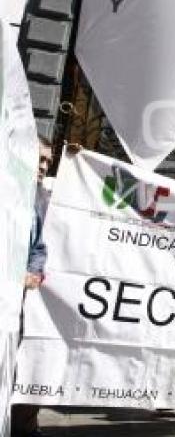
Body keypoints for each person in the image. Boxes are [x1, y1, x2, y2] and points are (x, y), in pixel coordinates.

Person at [11, 138, 53, 437]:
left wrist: (33, 271)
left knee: (20, 363)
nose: (43, 166)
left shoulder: (38, 198)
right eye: (39, 158)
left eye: (47, 162)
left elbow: (38, 245)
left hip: (17, 304)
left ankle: (23, 425)